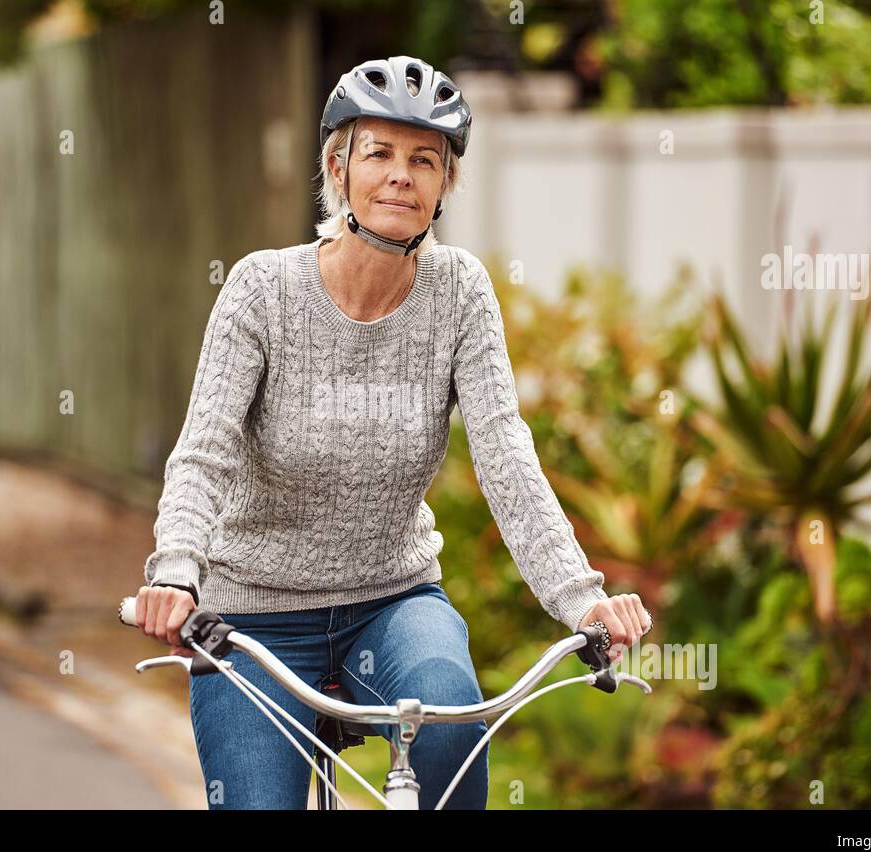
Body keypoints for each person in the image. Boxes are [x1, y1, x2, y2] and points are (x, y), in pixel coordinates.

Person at [135, 55, 652, 810]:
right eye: (378, 154)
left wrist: (582, 600)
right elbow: (205, 451)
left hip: (394, 599)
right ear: (338, 171)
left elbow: (505, 453)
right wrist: (176, 570)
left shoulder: (461, 293)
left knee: (449, 719)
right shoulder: (261, 290)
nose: (401, 176)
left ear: (445, 186)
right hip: (253, 618)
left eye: (424, 160)